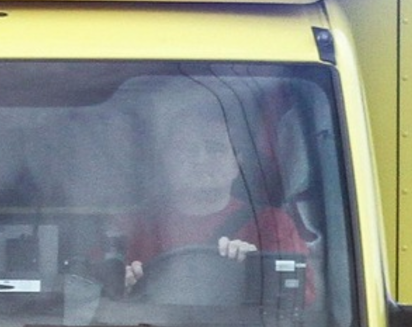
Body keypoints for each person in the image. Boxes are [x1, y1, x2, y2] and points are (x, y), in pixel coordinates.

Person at [120, 96, 308, 292]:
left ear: (237, 163)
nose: (200, 159)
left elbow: (303, 293)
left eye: (215, 148)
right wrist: (120, 285)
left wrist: (259, 268)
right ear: (167, 159)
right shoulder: (132, 226)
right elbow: (99, 289)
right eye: (187, 148)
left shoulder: (272, 225)